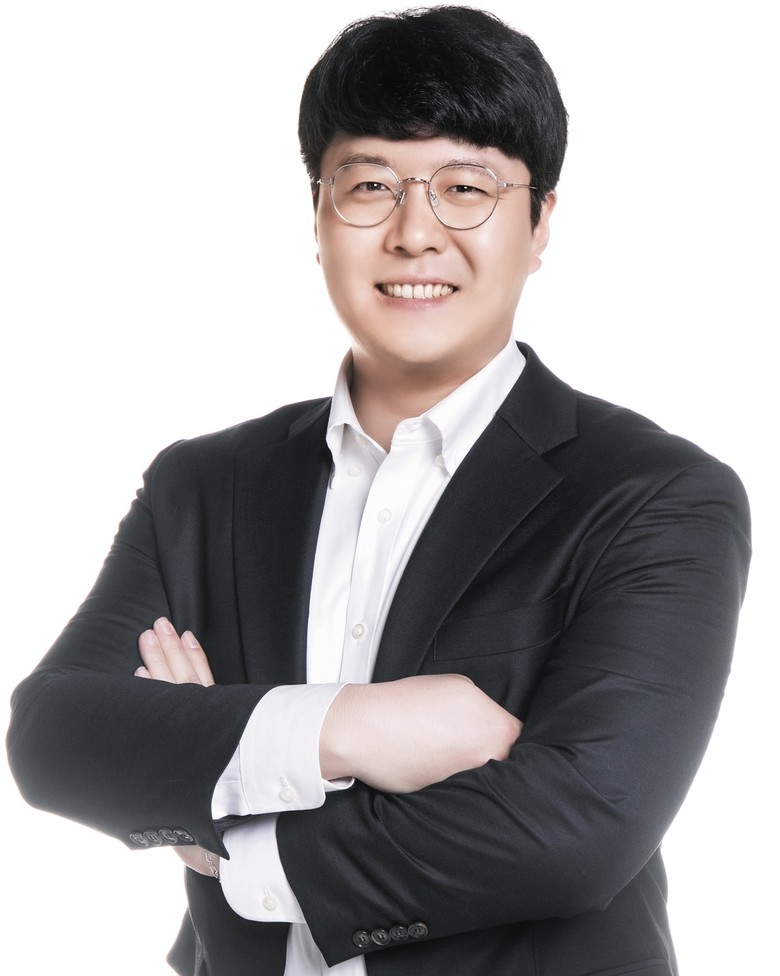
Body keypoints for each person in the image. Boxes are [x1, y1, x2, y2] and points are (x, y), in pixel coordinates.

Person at [6, 6, 751, 975]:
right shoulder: (204, 486)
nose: (414, 233)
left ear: (540, 225)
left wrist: (227, 811)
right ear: (317, 218)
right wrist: (347, 727)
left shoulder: (656, 497)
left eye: (465, 188)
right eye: (370, 185)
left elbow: (579, 827)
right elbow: (54, 737)